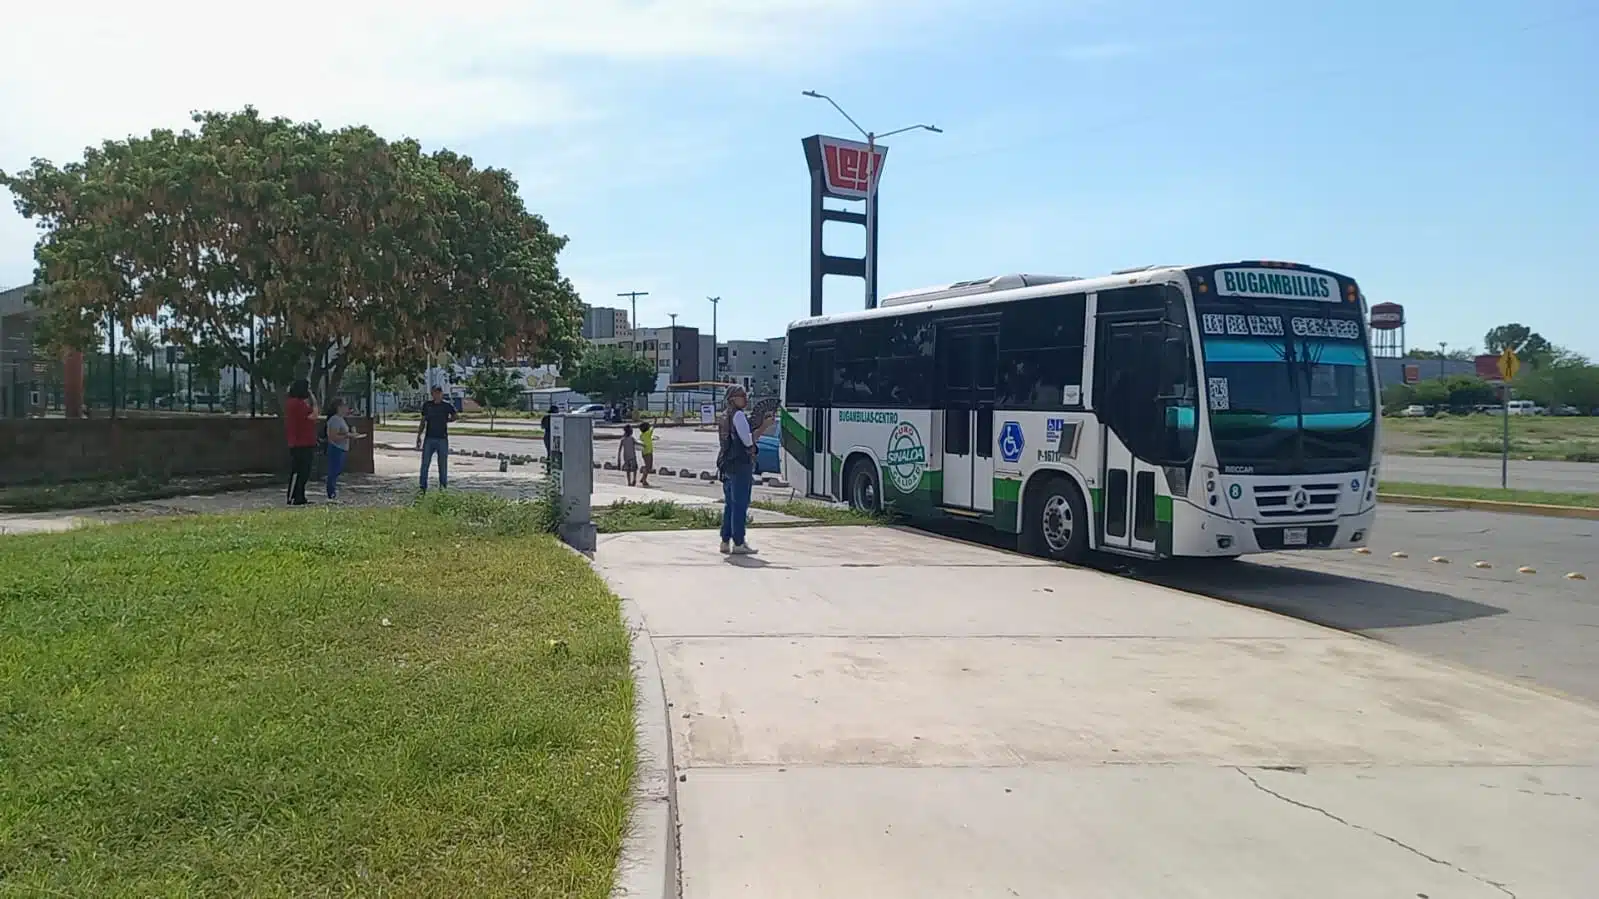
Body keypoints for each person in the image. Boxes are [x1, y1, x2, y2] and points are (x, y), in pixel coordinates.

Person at [717, 384, 758, 555]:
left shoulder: (724, 415)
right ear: (733, 398)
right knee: (740, 504)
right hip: (740, 464)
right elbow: (748, 441)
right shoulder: (739, 415)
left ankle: (725, 540)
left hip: (726, 463)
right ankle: (739, 542)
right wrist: (763, 428)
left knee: (730, 504)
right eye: (742, 395)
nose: (745, 398)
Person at [283, 379, 319, 506]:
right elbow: (314, 415)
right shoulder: (297, 404)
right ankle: (294, 496)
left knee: (303, 471)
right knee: (300, 471)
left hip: (301, 441)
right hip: (301, 442)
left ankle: (299, 496)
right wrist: (313, 399)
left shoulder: (293, 403)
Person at [324, 399, 366, 502]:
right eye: (345, 406)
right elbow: (333, 436)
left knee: (336, 471)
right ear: (339, 407)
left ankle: (332, 493)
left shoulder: (341, 419)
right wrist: (348, 435)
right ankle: (331, 494)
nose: (347, 408)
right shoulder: (335, 420)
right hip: (336, 448)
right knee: (333, 471)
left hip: (342, 448)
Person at [416, 386, 457, 492]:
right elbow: (423, 421)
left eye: (438, 393)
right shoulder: (427, 405)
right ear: (432, 394)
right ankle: (422, 486)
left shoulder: (446, 406)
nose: (437, 395)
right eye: (434, 393)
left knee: (442, 464)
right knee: (425, 463)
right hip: (429, 438)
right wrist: (419, 436)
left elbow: (455, 415)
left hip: (442, 438)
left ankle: (443, 487)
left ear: (441, 394)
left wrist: (447, 420)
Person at [638, 421, 655, 487]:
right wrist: (655, 421)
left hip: (644, 452)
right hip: (648, 452)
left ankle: (643, 478)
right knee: (648, 467)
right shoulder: (647, 433)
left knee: (648, 466)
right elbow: (653, 428)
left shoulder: (642, 435)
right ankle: (644, 480)